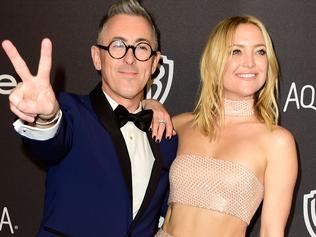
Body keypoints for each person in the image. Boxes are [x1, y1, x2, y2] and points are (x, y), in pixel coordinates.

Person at [2, 0, 177, 236]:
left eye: (142, 47)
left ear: (155, 62)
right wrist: (46, 119)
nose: (130, 58)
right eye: (118, 45)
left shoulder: (166, 136)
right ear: (97, 57)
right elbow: (51, 140)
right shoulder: (70, 112)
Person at [150, 15, 298, 237]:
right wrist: (148, 103)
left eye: (260, 51)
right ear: (215, 60)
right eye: (236, 51)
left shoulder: (277, 141)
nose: (250, 62)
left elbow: (271, 231)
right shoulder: (181, 124)